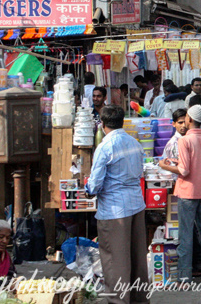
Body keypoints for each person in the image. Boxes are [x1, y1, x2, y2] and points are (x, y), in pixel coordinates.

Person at [85, 105, 149, 304]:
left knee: (116, 261)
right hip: (136, 205)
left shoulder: (105, 146)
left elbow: (94, 185)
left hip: (114, 210)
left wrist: (87, 190)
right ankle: (139, 300)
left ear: (102, 125)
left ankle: (118, 301)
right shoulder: (134, 143)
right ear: (122, 122)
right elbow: (140, 172)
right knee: (137, 258)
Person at [169, 104, 201, 283]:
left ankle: (184, 276)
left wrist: (166, 166)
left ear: (189, 119)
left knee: (186, 236)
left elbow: (184, 170)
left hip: (188, 193)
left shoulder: (185, 141)